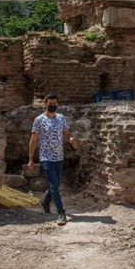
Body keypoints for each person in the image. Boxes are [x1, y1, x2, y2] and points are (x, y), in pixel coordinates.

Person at [28, 94, 78, 225]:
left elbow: (67, 133)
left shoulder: (61, 118)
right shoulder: (39, 120)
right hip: (46, 157)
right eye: (50, 103)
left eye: (55, 103)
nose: (53, 105)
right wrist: (30, 159)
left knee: (55, 184)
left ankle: (45, 202)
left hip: (59, 156)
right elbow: (33, 140)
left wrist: (71, 139)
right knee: (54, 184)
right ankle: (61, 213)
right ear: (45, 104)